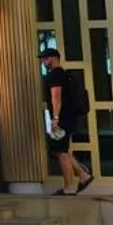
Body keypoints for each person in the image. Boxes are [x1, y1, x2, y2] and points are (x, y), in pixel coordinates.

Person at [40, 48, 93, 195]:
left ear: (53, 58)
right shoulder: (64, 74)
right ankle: (83, 175)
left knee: (60, 152)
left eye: (45, 58)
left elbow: (56, 97)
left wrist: (55, 118)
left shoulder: (55, 75)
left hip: (62, 119)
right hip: (68, 118)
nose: (43, 61)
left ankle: (69, 187)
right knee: (61, 149)